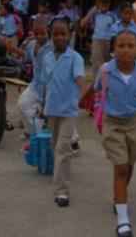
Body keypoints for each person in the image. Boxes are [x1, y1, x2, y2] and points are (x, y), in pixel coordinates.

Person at [78, 30, 136, 237]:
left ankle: (119, 195)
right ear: (113, 50)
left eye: (130, 46)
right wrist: (82, 99)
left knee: (129, 166)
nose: (125, 50)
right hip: (112, 124)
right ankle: (123, 221)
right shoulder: (106, 70)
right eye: (120, 46)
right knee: (121, 167)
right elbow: (95, 88)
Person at [40, 16, 88, 208]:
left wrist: (85, 94)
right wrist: (42, 105)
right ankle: (63, 171)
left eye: (63, 34)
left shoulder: (75, 57)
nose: (59, 37)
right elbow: (46, 84)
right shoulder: (47, 58)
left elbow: (79, 78)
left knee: (62, 148)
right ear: (50, 35)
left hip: (68, 110)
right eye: (55, 34)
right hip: (51, 110)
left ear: (69, 35)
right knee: (56, 148)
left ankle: (61, 192)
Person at [79, 0, 117, 78]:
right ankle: (96, 84)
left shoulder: (112, 16)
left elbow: (116, 31)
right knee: (97, 63)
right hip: (97, 40)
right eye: (102, 4)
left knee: (107, 64)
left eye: (106, 4)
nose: (104, 6)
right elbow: (82, 24)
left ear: (109, 4)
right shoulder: (95, 14)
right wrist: (90, 13)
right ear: (99, 4)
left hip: (108, 41)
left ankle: (106, 83)